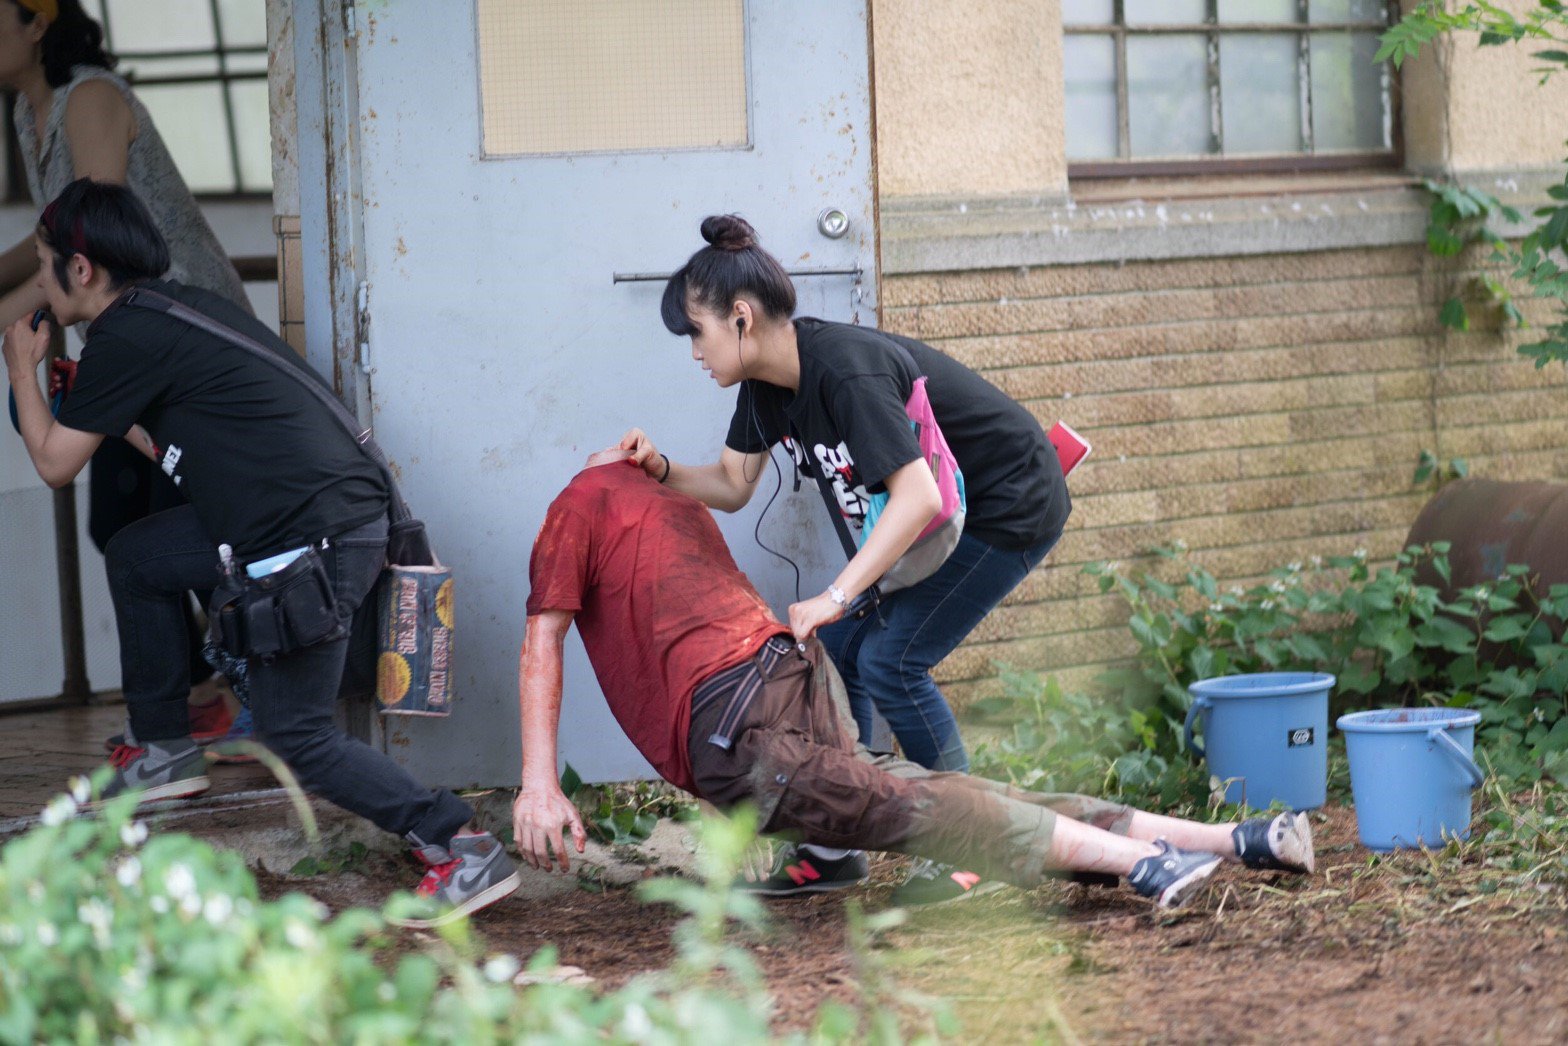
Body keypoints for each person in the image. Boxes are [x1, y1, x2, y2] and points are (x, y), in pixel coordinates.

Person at [2, 179, 518, 927]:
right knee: (139, 555)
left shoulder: (126, 334)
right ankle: (165, 749)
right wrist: (98, 405)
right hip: (311, 521)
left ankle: (458, 842)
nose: (42, 284)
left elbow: (53, 463)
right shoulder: (169, 311)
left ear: (81, 271)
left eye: (47, 266)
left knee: (295, 733)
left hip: (310, 539)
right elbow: (159, 439)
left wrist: (19, 363)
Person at [511, 449, 1314, 913]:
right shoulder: (660, 497)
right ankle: (1235, 840)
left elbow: (541, 639)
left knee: (920, 811)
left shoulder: (575, 504)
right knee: (933, 791)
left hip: (733, 716)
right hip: (790, 670)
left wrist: (539, 784)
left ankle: (1148, 864)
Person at [620, 214, 1071, 904]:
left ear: (739, 318)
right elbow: (734, 487)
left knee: (893, 660)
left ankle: (973, 842)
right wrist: (658, 469)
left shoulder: (845, 370)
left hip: (1008, 503)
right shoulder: (768, 388)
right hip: (936, 518)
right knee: (840, 650)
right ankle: (835, 842)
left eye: (697, 333)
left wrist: (836, 593)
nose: (694, 353)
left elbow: (917, 496)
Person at [0, 0, 254, 753]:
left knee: (197, 529)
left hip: (180, 342)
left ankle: (251, 690)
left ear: (35, 20)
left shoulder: (93, 97)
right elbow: (50, 242)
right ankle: (193, 703)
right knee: (120, 523)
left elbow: (86, 234)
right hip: (124, 348)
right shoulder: (27, 112)